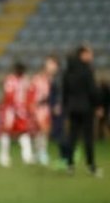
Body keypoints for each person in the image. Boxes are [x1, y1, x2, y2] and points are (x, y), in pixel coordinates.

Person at [59, 44, 101, 177]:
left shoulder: (68, 71)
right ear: (82, 54)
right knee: (88, 138)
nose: (91, 56)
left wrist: (65, 106)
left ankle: (70, 165)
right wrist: (98, 106)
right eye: (90, 53)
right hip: (86, 108)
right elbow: (92, 90)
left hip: (72, 108)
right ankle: (91, 166)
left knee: (72, 137)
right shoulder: (87, 70)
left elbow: (64, 91)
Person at [0, 61, 33, 168]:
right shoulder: (10, 80)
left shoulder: (25, 80)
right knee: (6, 132)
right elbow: (8, 95)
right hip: (11, 111)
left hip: (21, 111)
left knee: (24, 132)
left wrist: (27, 107)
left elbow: (30, 94)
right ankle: (4, 157)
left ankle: (27, 156)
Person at [29, 56, 59, 165]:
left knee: (44, 131)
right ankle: (40, 152)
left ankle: (40, 152)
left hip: (46, 107)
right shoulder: (36, 79)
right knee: (41, 131)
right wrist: (31, 105)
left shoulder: (50, 80)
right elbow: (31, 93)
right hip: (38, 107)